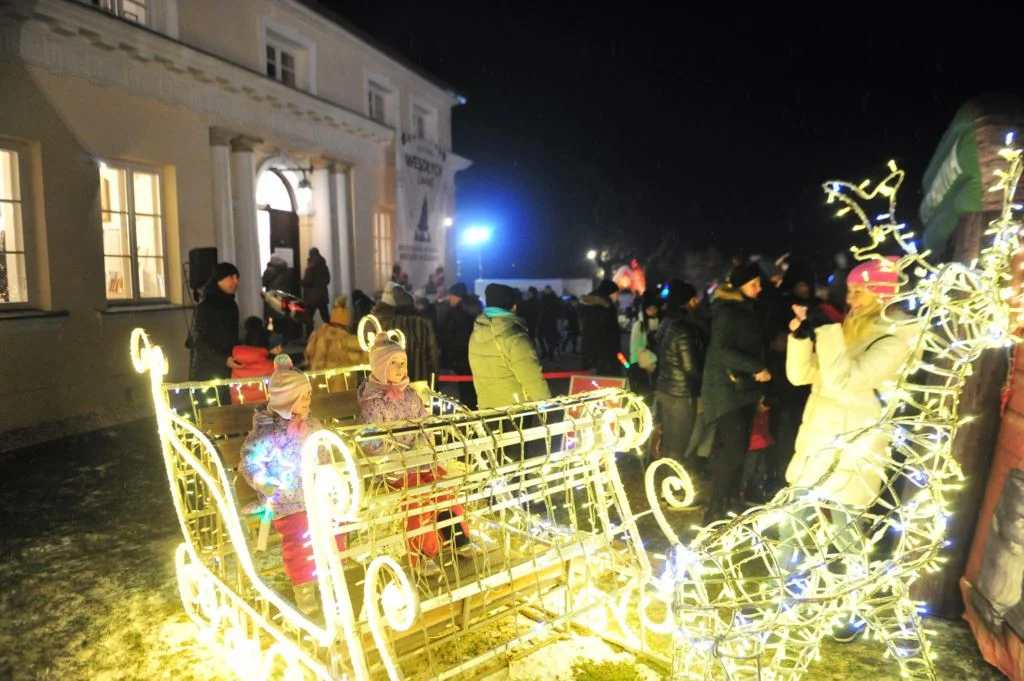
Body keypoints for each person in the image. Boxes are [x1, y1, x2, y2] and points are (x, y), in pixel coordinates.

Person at [781, 256, 912, 642]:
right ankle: (787, 598)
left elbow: (843, 381)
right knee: (793, 523)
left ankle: (848, 610)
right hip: (816, 444)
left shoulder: (895, 338)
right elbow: (799, 375)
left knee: (845, 537)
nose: (851, 299)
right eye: (850, 291)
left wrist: (828, 333)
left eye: (859, 291)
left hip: (854, 451)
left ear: (883, 292)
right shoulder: (847, 330)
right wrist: (801, 339)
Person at [358, 335, 477, 575]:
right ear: (380, 367)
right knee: (419, 498)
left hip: (420, 462)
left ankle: (457, 537)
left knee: (442, 489)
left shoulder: (410, 394)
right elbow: (372, 443)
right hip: (392, 468)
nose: (401, 368)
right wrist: (397, 454)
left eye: (403, 363)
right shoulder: (373, 403)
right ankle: (422, 553)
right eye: (394, 363)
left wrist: (422, 448)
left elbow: (426, 425)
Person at [239, 354, 344, 617]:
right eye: (303, 397)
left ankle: (332, 577)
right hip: (287, 501)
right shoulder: (267, 433)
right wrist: (263, 483)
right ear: (287, 401)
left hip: (317, 496)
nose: (309, 401)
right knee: (299, 538)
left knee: (335, 527)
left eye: (309, 395)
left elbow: (324, 453)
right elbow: (250, 464)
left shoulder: (312, 425)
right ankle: (304, 585)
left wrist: (329, 476)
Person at [702, 262, 772, 524]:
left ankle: (731, 501)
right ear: (740, 285)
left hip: (742, 391)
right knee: (732, 453)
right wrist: (757, 368)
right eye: (754, 283)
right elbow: (721, 351)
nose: (759, 287)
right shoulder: (728, 312)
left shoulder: (744, 309)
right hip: (727, 392)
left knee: (739, 451)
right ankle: (714, 510)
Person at [469, 283, 551, 409]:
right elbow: (531, 377)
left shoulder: (477, 332)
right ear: (513, 306)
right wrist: (547, 404)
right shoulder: (514, 336)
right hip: (515, 409)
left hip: (486, 406)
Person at [653, 281, 704, 464]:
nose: (697, 302)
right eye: (694, 299)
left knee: (671, 443)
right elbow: (691, 367)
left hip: (666, 388)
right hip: (680, 393)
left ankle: (666, 480)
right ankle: (672, 487)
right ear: (687, 301)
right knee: (678, 445)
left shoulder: (668, 322)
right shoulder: (684, 328)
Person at [189, 262, 241, 386]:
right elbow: (198, 341)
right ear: (219, 281)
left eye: (237, 278)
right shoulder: (206, 306)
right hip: (206, 373)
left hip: (226, 370)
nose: (236, 282)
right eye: (231, 278)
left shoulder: (231, 305)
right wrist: (223, 359)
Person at [304, 296, 365, 390]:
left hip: (317, 387)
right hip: (338, 390)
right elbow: (365, 358)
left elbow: (307, 358)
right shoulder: (347, 340)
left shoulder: (316, 335)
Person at [442, 282, 480, 408]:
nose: (449, 298)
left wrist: (448, 359)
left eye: (451, 295)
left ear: (457, 296)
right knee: (474, 387)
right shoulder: (475, 308)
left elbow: (450, 338)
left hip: (461, 356)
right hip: (476, 354)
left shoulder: (455, 314)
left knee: (465, 389)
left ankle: (469, 414)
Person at [230, 316, 282, 404]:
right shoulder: (271, 366)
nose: (280, 349)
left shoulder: (235, 363)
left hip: (239, 409)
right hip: (263, 412)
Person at [580, 280, 622, 376]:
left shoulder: (591, 307)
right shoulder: (605, 308)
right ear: (609, 292)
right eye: (616, 293)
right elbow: (609, 332)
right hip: (605, 353)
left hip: (591, 351)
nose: (617, 297)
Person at [301, 247, 331, 338]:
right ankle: (333, 333)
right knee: (326, 317)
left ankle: (309, 338)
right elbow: (328, 280)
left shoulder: (311, 266)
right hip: (322, 296)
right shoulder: (324, 266)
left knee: (308, 318)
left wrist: (301, 282)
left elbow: (308, 281)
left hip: (312, 297)